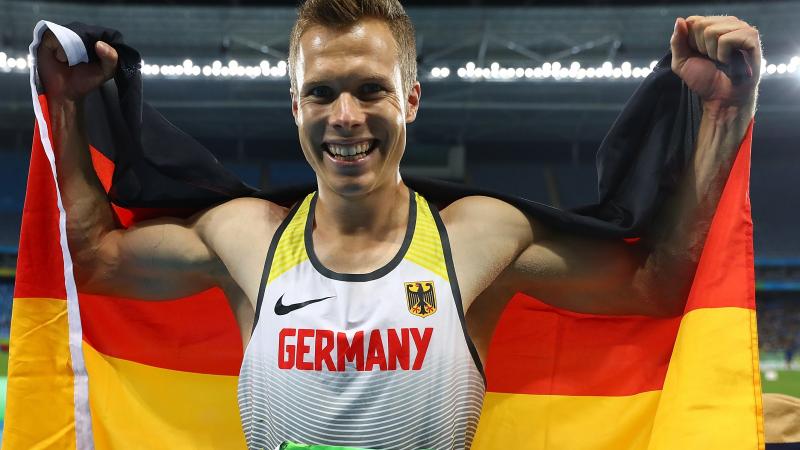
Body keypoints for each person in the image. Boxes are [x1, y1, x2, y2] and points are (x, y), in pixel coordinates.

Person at [36, 0, 761, 448]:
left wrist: (725, 114)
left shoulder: (479, 239)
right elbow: (93, 260)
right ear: (295, 107)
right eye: (321, 92)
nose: (345, 117)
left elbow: (659, 286)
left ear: (411, 100)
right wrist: (66, 108)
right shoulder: (244, 238)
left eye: (370, 90)